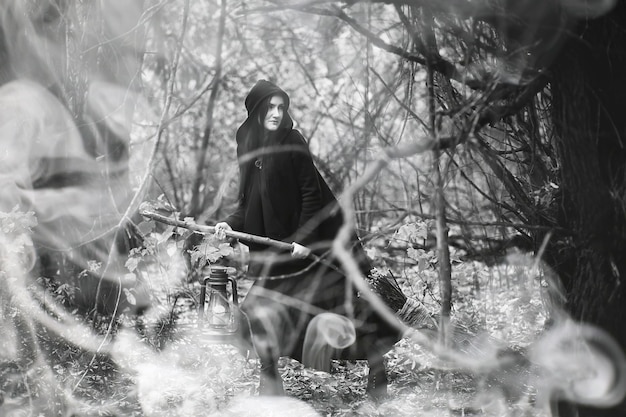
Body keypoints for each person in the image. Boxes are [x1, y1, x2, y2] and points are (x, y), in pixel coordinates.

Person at [215, 79, 402, 397]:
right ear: (256, 110)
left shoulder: (293, 141)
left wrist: (304, 239)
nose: (276, 113)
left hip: (314, 248)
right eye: (270, 107)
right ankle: (270, 382)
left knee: (332, 317)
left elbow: (310, 194)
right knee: (260, 310)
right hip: (276, 252)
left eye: (281, 107)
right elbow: (249, 202)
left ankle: (377, 369)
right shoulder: (248, 144)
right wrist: (228, 226)